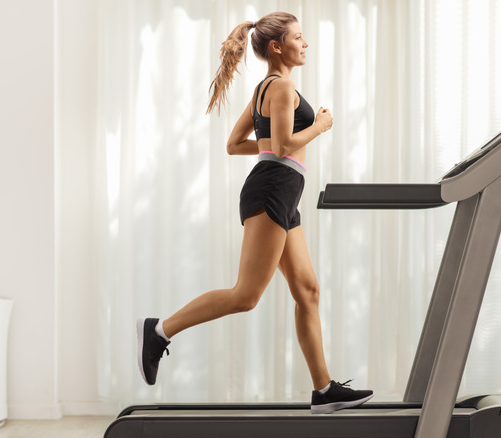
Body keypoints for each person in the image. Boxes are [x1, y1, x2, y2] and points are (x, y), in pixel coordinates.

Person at [136, 11, 373, 414]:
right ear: (278, 46)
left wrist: (276, 145)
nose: (306, 43)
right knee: (246, 296)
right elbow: (281, 147)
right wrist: (320, 125)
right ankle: (158, 331)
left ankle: (324, 390)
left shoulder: (264, 89)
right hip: (272, 190)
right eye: (299, 37)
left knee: (308, 291)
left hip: (280, 191)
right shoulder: (281, 88)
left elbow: (235, 143)